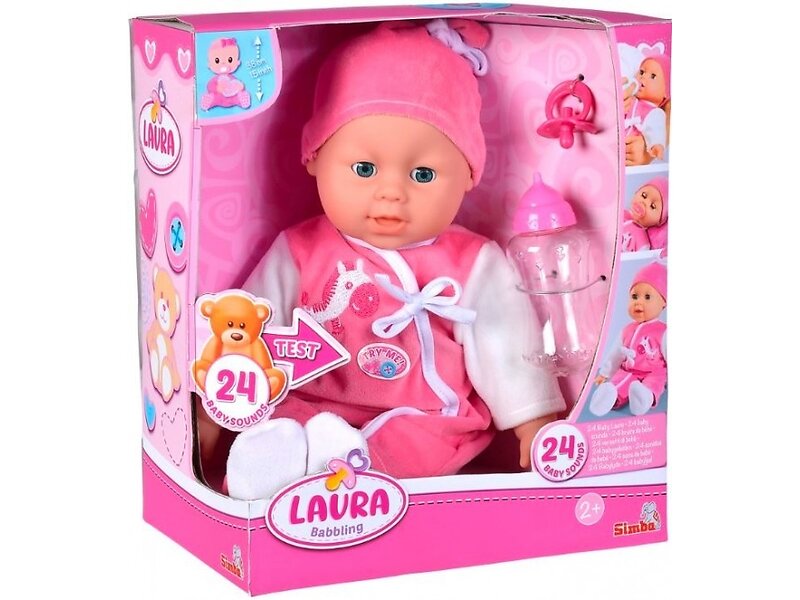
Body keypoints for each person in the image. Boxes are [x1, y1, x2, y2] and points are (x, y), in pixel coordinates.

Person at [223, 19, 565, 500]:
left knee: (399, 450)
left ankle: (337, 480)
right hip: (309, 403)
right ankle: (267, 476)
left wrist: (533, 418)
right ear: (315, 157)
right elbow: (244, 328)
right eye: (364, 169)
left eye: (422, 174)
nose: (391, 193)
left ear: (467, 175)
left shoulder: (471, 262)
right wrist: (215, 408)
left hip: (426, 419)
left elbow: (505, 343)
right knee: (281, 430)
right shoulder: (300, 250)